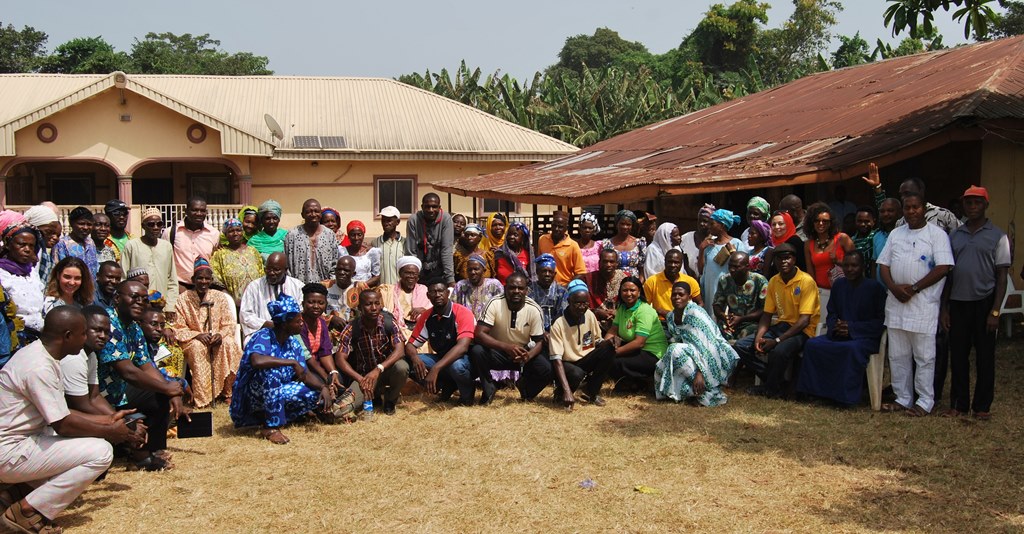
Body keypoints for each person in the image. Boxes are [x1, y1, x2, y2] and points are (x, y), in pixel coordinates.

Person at [0, 306, 132, 533]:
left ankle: (14, 493)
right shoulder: (38, 366)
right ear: (68, 336)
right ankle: (26, 512)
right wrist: (109, 431)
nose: (85, 339)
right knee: (101, 452)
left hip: (23, 441)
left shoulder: (41, 355)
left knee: (87, 442)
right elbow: (63, 424)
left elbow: (61, 413)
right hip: (9, 452)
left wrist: (109, 421)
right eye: (83, 333)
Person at [876, 192, 954, 416]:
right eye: (907, 208)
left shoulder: (936, 235)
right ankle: (903, 398)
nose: (911, 211)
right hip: (896, 304)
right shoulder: (896, 234)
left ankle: (925, 401)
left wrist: (914, 288)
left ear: (923, 208)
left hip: (922, 305)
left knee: (924, 356)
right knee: (898, 355)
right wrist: (893, 287)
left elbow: (944, 267)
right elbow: (883, 264)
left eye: (915, 207)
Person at [97, 281, 188, 470]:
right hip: (101, 394)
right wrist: (167, 387)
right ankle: (139, 455)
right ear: (117, 298)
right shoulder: (109, 324)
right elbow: (127, 371)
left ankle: (152, 448)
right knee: (159, 390)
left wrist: (171, 391)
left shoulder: (134, 327)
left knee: (160, 393)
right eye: (134, 297)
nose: (140, 302)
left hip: (121, 388)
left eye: (144, 299)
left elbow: (146, 365)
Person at [941, 186, 1009, 420]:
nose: (972, 207)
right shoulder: (955, 235)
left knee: (985, 357)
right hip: (958, 303)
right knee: (958, 356)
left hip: (985, 303)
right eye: (968, 203)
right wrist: (945, 308)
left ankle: (982, 407)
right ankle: (959, 404)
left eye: (977, 203)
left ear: (985, 205)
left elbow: (1002, 277)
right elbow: (948, 275)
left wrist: (996, 311)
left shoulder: (998, 236)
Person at [230, 294, 334, 444]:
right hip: (253, 396)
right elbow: (256, 360)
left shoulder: (293, 342)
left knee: (314, 393)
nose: (302, 324)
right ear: (285, 324)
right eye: (298, 321)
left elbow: (304, 374)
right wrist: (291, 362)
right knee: (271, 374)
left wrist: (323, 387)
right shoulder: (263, 336)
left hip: (278, 391)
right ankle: (270, 427)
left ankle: (285, 416)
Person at [797, 251, 886, 405]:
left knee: (849, 350)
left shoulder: (875, 288)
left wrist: (852, 328)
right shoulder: (839, 285)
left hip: (864, 337)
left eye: (854, 265)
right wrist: (835, 326)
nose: (850, 269)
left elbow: (881, 321)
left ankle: (843, 398)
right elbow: (831, 312)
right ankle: (815, 393)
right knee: (812, 345)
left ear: (863, 266)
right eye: (846, 265)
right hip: (838, 334)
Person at [734, 243, 820, 399]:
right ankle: (776, 383)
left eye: (787, 258)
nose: (784, 262)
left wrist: (777, 340)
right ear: (774, 262)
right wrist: (759, 337)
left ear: (794, 259)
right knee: (742, 346)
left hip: (802, 331)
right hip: (781, 326)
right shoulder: (774, 281)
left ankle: (771, 388)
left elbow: (804, 320)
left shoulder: (806, 281)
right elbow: (767, 315)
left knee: (778, 351)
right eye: (779, 259)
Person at [171, 258, 243, 408]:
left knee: (229, 344)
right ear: (193, 280)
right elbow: (178, 327)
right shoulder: (183, 300)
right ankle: (204, 397)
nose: (203, 282)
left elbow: (229, 324)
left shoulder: (220, 297)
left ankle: (228, 392)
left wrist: (220, 335)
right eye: (200, 278)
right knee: (198, 348)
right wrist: (197, 335)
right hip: (193, 339)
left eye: (206, 279)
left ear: (211, 280)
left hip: (217, 337)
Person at [469, 272, 551, 404]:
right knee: (477, 351)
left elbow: (539, 341)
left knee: (546, 369)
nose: (516, 291)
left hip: (521, 353)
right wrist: (506, 347)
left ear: (526, 290)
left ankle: (526, 389)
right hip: (497, 350)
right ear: (505, 288)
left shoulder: (534, 309)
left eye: (520, 288)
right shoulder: (494, 303)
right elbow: (479, 334)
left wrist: (528, 356)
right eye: (512, 288)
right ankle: (489, 387)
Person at [656, 281, 739, 406]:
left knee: (675, 350)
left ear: (689, 297)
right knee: (663, 362)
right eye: (674, 294)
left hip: (716, 355)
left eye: (681, 294)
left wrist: (700, 373)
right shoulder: (671, 317)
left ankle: (709, 392)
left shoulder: (696, 313)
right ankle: (689, 393)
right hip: (694, 354)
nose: (677, 297)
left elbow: (708, 346)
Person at [336, 289, 409, 415]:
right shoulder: (351, 328)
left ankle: (390, 399)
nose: (374, 308)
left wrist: (378, 369)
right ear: (360, 307)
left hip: (386, 371)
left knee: (402, 367)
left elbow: (400, 350)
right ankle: (374, 394)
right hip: (365, 377)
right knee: (339, 410)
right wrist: (359, 379)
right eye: (369, 304)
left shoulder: (389, 323)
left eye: (377, 303)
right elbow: (340, 359)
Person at [405, 281, 478, 406]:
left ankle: (467, 395)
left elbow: (463, 347)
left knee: (457, 366)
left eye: (441, 291)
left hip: (465, 359)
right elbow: (410, 345)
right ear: (428, 296)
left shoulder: (462, 312)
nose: (437, 295)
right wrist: (415, 358)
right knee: (407, 361)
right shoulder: (427, 316)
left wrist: (436, 368)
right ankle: (446, 385)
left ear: (448, 293)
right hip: (441, 358)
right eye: (433, 292)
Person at [549, 280, 615, 409]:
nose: (582, 306)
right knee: (576, 373)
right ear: (569, 301)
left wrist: (610, 343)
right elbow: (556, 359)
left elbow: (597, 340)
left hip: (585, 358)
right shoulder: (559, 323)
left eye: (585, 303)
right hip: (567, 363)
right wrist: (567, 391)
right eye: (577, 303)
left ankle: (592, 391)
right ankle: (562, 393)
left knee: (610, 349)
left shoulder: (589, 315)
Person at [606, 276, 668, 392]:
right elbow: (613, 330)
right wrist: (604, 346)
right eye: (625, 290)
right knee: (604, 356)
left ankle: (643, 381)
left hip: (652, 353)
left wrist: (613, 353)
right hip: (636, 349)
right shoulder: (622, 308)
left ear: (639, 292)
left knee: (613, 362)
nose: (628, 293)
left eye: (632, 290)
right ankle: (631, 382)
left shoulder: (644, 310)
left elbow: (639, 342)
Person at [804, 202, 855, 324]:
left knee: (844, 325)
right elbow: (810, 273)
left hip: (844, 291)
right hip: (821, 293)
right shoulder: (808, 244)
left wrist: (838, 261)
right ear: (812, 222)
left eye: (825, 221)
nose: (821, 224)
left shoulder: (842, 238)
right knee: (824, 327)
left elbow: (856, 264)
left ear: (831, 222)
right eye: (817, 221)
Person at [122, 208, 178, 316]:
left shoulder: (166, 246)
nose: (156, 228)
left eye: (159, 224)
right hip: (139, 305)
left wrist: (170, 306)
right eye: (151, 224)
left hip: (162, 306)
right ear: (143, 226)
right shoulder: (132, 246)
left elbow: (172, 280)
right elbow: (124, 278)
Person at [0, 223, 46, 353]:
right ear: (8, 245)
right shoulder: (2, 275)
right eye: (22, 244)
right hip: (11, 342)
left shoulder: (32, 273)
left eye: (31, 246)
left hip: (37, 340)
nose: (27, 249)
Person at [239, 252, 305, 342]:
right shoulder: (254, 286)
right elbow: (245, 315)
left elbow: (301, 312)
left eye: (276, 270)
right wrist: (270, 325)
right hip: (261, 333)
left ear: (285, 270)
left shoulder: (297, 286)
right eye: (268, 269)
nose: (271, 273)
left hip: (291, 333)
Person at [698, 209, 747, 317]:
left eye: (712, 223)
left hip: (728, 288)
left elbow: (743, 268)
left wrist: (733, 252)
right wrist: (701, 249)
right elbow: (701, 270)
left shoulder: (736, 243)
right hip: (710, 288)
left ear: (722, 225)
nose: (708, 226)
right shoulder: (709, 245)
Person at [164, 196, 220, 288]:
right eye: (194, 210)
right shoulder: (171, 232)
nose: (199, 213)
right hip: (179, 286)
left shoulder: (214, 234)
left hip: (204, 286)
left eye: (202, 211)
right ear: (186, 211)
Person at [712, 251, 768, 342]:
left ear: (747, 267)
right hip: (731, 322)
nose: (732, 269)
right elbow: (716, 305)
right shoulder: (724, 280)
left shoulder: (759, 281)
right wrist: (724, 317)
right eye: (730, 266)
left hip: (752, 323)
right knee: (717, 335)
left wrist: (742, 319)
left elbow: (766, 310)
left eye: (736, 267)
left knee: (743, 337)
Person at [284, 198, 339, 285]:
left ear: (320, 214)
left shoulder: (329, 235)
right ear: (302, 215)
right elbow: (286, 264)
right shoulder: (292, 235)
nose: (313, 214)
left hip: (325, 289)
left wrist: (331, 283)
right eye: (309, 212)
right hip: (298, 288)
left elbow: (335, 263)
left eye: (316, 211)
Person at [211, 217, 265, 305]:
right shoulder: (219, 254)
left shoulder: (253, 251)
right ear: (225, 234)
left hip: (256, 302)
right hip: (233, 305)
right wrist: (230, 301)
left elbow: (262, 275)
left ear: (243, 232)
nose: (235, 233)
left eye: (238, 230)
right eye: (231, 231)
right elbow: (216, 281)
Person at [404, 193, 454, 286]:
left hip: (440, 271)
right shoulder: (413, 220)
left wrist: (450, 279)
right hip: (420, 272)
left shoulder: (446, 219)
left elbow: (446, 250)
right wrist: (414, 276)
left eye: (434, 207)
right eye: (427, 207)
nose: (431, 210)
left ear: (439, 207)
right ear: (422, 207)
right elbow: (411, 252)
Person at [376, 256, 430, 341]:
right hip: (396, 332)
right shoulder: (388, 291)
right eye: (407, 273)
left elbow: (435, 312)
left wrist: (424, 310)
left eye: (414, 273)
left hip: (421, 333)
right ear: (400, 274)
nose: (411, 276)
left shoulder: (424, 290)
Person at [298, 283, 341, 389]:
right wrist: (326, 377)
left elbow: (325, 352)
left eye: (320, 303)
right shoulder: (298, 324)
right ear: (303, 303)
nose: (316, 306)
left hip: (318, 367)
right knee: (325, 384)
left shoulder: (321, 323)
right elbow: (307, 358)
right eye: (311, 302)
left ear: (325, 305)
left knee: (338, 380)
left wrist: (333, 372)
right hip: (303, 369)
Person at [643, 249, 702, 320]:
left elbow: (700, 303)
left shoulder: (690, 281)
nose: (673, 265)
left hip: (685, 323)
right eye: (670, 262)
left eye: (676, 262)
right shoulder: (652, 281)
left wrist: (690, 316)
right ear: (664, 262)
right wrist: (659, 311)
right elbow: (644, 307)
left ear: (681, 263)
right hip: (661, 323)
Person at [538, 210, 586, 285]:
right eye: (554, 225)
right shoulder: (542, 239)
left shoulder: (573, 245)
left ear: (566, 228)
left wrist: (567, 287)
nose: (556, 229)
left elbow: (581, 273)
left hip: (564, 285)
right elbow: (538, 263)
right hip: (544, 286)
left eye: (560, 227)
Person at [581, 247, 626, 324]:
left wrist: (618, 313)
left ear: (617, 263)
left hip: (620, 322)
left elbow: (632, 305)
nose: (608, 265)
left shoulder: (624, 279)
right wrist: (596, 311)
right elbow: (581, 304)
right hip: (594, 323)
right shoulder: (588, 279)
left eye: (611, 262)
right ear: (599, 263)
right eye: (605, 262)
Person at [453, 254, 505, 320]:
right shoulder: (460, 285)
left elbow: (502, 306)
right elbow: (454, 307)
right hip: (466, 324)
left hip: (489, 325)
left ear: (484, 270)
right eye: (469, 269)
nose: (473, 272)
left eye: (476, 269)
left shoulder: (494, 285)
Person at [325, 257, 366, 338]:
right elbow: (312, 311)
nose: (342, 273)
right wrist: (331, 318)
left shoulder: (359, 287)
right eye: (339, 269)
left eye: (346, 270)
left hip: (354, 334)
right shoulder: (325, 286)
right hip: (329, 333)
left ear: (353, 274)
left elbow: (370, 308)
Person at [527, 254, 568, 335]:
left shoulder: (561, 292)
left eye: (550, 272)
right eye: (544, 271)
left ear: (555, 274)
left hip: (557, 332)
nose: (547, 274)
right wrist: (542, 332)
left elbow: (563, 316)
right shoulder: (529, 290)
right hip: (533, 332)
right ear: (537, 272)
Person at [54, 206, 98, 279]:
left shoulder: (90, 242)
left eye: (89, 224)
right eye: (81, 224)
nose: (85, 227)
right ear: (71, 223)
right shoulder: (62, 244)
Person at [600, 210, 646, 278]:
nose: (625, 227)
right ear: (616, 224)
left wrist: (639, 285)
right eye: (622, 223)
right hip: (613, 283)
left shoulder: (639, 243)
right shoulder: (607, 244)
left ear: (632, 226)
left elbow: (642, 271)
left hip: (634, 285)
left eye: (628, 224)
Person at [23, 205, 61, 284]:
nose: (54, 238)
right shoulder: (21, 255)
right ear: (34, 228)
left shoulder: (43, 254)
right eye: (49, 232)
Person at [371, 206, 405, 286]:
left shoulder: (405, 243)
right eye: (383, 220)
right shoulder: (375, 243)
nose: (386, 223)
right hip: (381, 290)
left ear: (398, 222)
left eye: (389, 221)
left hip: (400, 291)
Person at [341, 220, 381, 285]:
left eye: (359, 235)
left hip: (366, 290)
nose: (356, 238)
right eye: (353, 235)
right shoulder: (342, 252)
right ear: (348, 236)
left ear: (363, 235)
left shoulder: (372, 253)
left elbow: (376, 276)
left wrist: (361, 286)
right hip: (346, 289)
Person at [767, 211, 806, 278]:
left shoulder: (795, 241)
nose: (777, 227)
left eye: (781, 224)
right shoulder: (771, 243)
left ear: (788, 224)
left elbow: (802, 266)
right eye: (773, 224)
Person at [681, 205, 713, 278]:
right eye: (699, 220)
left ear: (712, 223)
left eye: (705, 221)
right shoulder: (685, 238)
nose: (701, 224)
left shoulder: (715, 241)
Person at [873, 198, 901, 279]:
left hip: (900, 288)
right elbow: (874, 263)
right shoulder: (877, 236)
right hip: (880, 289)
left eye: (890, 211)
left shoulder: (906, 235)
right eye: (882, 211)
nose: (885, 214)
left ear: (899, 213)